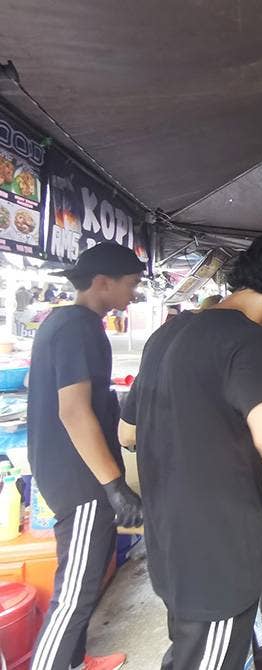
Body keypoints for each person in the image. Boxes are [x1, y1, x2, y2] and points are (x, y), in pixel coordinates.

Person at [119, 233, 262, 670]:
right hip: (216, 552)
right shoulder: (246, 339)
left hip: (169, 539)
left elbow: (127, 432)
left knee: (189, 650)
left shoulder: (171, 333)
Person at [27, 243, 145, 670]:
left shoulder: (68, 322)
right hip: (79, 480)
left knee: (88, 578)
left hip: (75, 471)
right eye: (130, 285)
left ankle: (76, 660)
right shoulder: (76, 328)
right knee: (75, 592)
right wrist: (113, 485)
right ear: (102, 283)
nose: (133, 294)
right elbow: (73, 410)